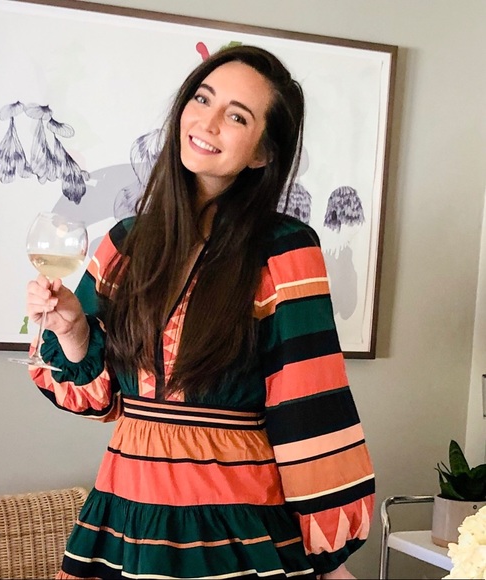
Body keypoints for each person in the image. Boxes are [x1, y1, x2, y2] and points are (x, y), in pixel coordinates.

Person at [26, 44, 375, 580]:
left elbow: (309, 399)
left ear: (262, 153)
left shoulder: (284, 248)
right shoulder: (125, 245)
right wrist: (72, 328)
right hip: (125, 511)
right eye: (203, 99)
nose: (208, 123)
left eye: (237, 116)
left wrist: (329, 558)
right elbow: (99, 398)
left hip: (232, 521)